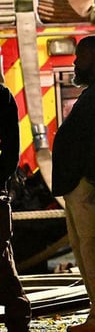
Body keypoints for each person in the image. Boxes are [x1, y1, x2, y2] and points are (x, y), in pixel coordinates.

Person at [53, 35, 95, 332]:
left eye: (80, 57)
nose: (74, 63)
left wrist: (91, 181)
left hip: (88, 188)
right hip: (84, 185)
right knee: (92, 250)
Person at [0, 83, 30, 332]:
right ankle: (18, 317)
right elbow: (11, 150)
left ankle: (18, 315)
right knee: (1, 257)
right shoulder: (2, 96)